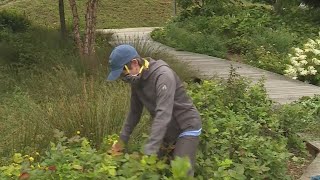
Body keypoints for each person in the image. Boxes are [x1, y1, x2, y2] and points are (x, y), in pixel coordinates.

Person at [107, 44, 202, 176]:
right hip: (167, 130)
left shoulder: (163, 76)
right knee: (151, 171)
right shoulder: (136, 81)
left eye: (124, 75)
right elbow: (134, 113)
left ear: (134, 63)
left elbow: (163, 114)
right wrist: (121, 142)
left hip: (186, 126)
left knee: (181, 173)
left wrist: (150, 150)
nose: (124, 80)